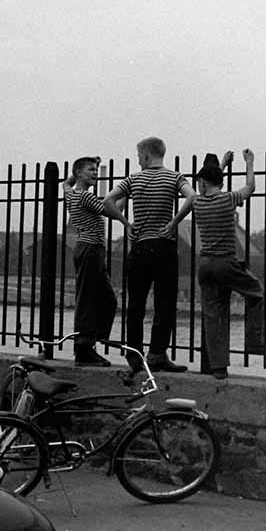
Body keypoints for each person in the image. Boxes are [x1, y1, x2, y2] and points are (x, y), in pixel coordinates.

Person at [102, 137, 195, 375]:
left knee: (136, 303)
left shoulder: (133, 179)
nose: (138, 160)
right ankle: (157, 354)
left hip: (140, 247)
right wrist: (174, 222)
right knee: (165, 304)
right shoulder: (174, 177)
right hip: (164, 246)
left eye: (138, 156)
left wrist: (126, 223)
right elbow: (192, 197)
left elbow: (108, 201)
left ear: (145, 155)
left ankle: (134, 354)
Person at [191, 148, 266, 380]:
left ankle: (218, 368)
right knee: (256, 292)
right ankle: (255, 342)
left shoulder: (198, 203)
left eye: (199, 182)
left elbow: (209, 185)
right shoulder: (228, 200)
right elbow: (250, 187)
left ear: (202, 183)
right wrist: (250, 163)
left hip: (204, 265)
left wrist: (222, 165)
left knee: (213, 315)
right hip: (226, 263)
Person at [63, 156, 128, 366]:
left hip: (90, 250)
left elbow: (66, 182)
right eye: (91, 170)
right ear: (80, 173)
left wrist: (79, 169)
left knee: (107, 299)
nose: (95, 173)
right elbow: (112, 211)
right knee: (89, 299)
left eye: (96, 170)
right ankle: (84, 348)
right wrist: (127, 192)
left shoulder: (70, 193)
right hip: (91, 249)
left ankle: (92, 340)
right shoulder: (84, 197)